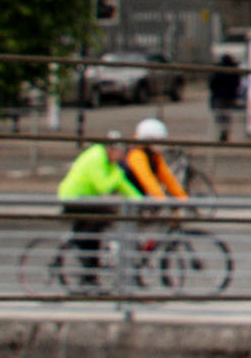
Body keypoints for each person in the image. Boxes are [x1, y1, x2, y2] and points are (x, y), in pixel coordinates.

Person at [55, 117, 183, 287]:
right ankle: (90, 267)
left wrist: (141, 201)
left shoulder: (115, 162)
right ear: (111, 149)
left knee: (104, 226)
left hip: (90, 200)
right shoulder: (96, 157)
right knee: (104, 222)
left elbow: (127, 187)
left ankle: (96, 268)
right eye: (120, 153)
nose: (123, 156)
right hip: (73, 198)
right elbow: (104, 187)